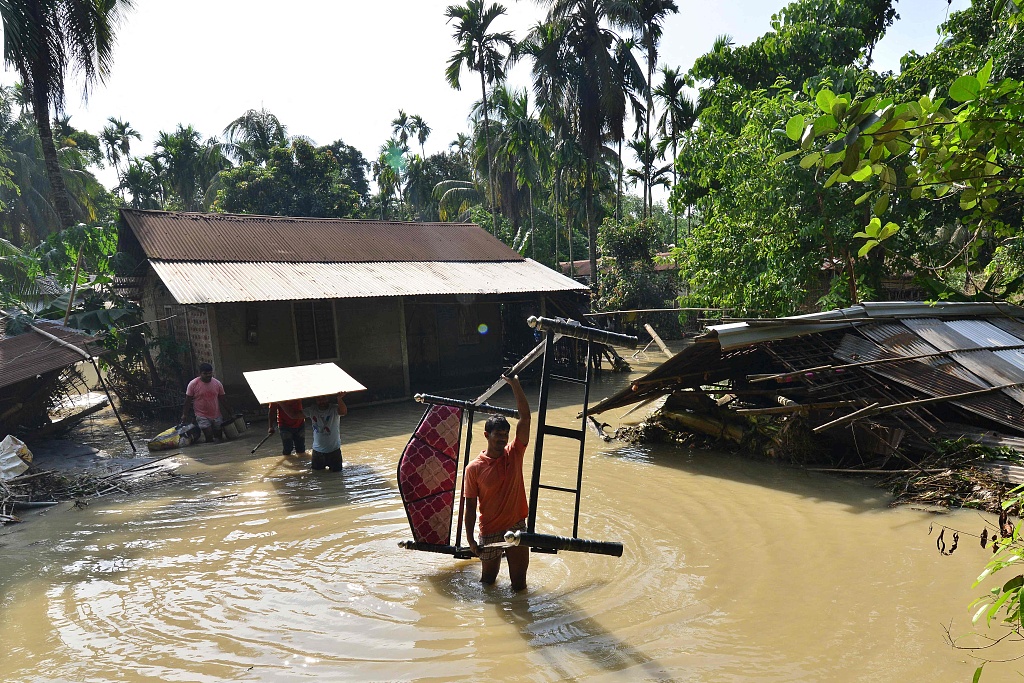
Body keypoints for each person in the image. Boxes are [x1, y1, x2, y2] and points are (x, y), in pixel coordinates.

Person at [462, 375, 531, 591]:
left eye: (505, 435)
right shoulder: (474, 468)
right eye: (498, 435)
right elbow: (470, 507)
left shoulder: (514, 453)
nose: (502, 439)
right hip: (490, 531)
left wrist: (515, 384)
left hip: (517, 526)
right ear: (486, 435)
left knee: (519, 585)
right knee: (487, 584)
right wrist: (471, 539)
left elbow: (526, 418)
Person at [279, 393, 347, 471]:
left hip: (334, 451)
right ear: (316, 400)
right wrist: (280, 403)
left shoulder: (334, 408)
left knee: (337, 476)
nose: (321, 401)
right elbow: (293, 415)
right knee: (317, 476)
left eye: (323, 398)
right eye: (319, 399)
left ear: (328, 398)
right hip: (318, 452)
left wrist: (339, 398)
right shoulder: (312, 410)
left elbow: (343, 412)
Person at [181, 362, 233, 443]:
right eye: (205, 374)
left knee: (219, 437)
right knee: (209, 436)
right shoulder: (193, 384)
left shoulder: (217, 384)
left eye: (210, 373)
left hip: (216, 414)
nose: (208, 375)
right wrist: (184, 415)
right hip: (201, 415)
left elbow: (223, 399)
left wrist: (231, 412)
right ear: (200, 373)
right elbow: (188, 400)